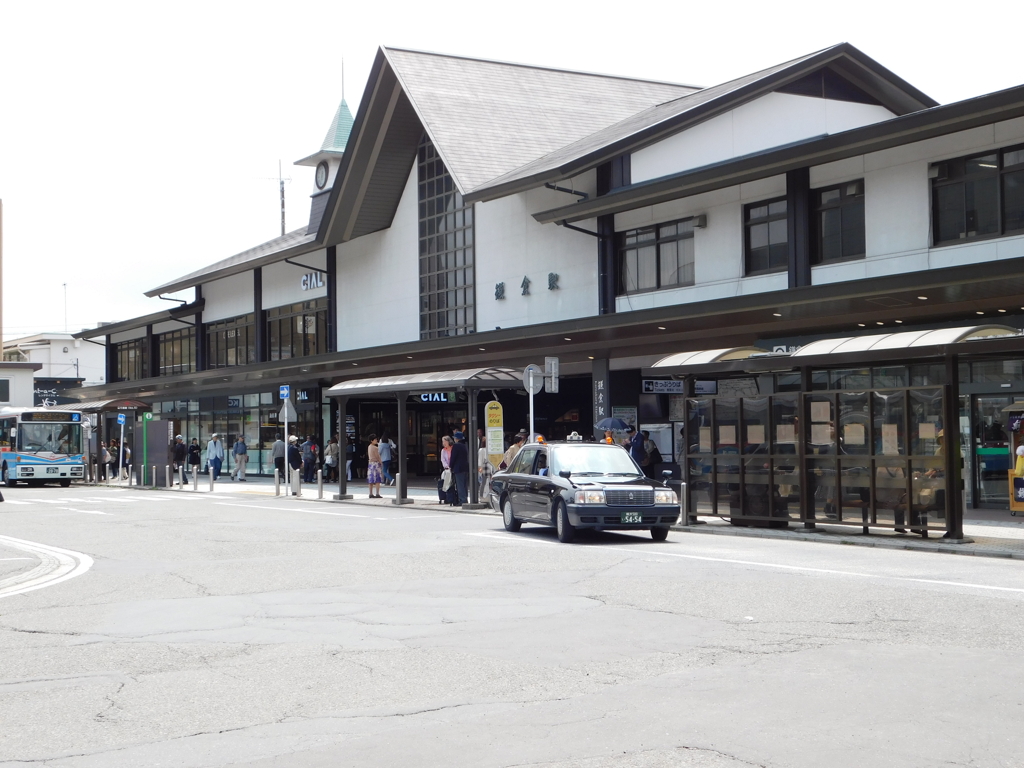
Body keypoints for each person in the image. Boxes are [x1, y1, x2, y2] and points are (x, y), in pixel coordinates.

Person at [450, 431, 469, 506]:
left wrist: (451, 466)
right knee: (464, 485)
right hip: (465, 467)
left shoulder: (456, 446)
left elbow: (453, 457)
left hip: (458, 468)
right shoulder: (465, 445)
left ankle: (462, 500)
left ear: (457, 439)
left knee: (460, 485)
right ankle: (465, 498)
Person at [366, 433, 383, 499]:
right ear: (371, 440)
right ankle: (377, 493)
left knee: (371, 479)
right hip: (376, 464)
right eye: (375, 439)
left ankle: (370, 493)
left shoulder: (369, 447)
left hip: (370, 464)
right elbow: (378, 456)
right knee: (377, 480)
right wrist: (381, 462)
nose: (376, 440)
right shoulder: (375, 448)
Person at [440, 435, 455, 504]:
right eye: (443, 442)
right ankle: (446, 497)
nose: (443, 443)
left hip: (453, 468)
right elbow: (443, 460)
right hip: (447, 470)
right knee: (446, 481)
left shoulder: (453, 448)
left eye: (444, 441)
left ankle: (452, 497)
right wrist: (446, 466)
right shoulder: (443, 451)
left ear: (448, 441)